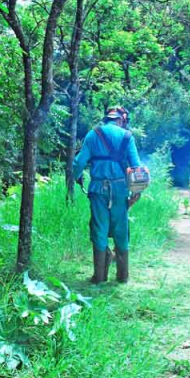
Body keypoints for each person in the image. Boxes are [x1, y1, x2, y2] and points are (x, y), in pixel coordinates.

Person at [72, 106, 142, 283]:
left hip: (97, 190)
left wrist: (75, 179)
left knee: (99, 228)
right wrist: (136, 191)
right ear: (121, 120)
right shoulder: (127, 136)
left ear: (107, 118)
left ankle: (100, 276)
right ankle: (122, 276)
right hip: (119, 190)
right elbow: (136, 167)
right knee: (121, 229)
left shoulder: (92, 134)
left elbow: (79, 162)